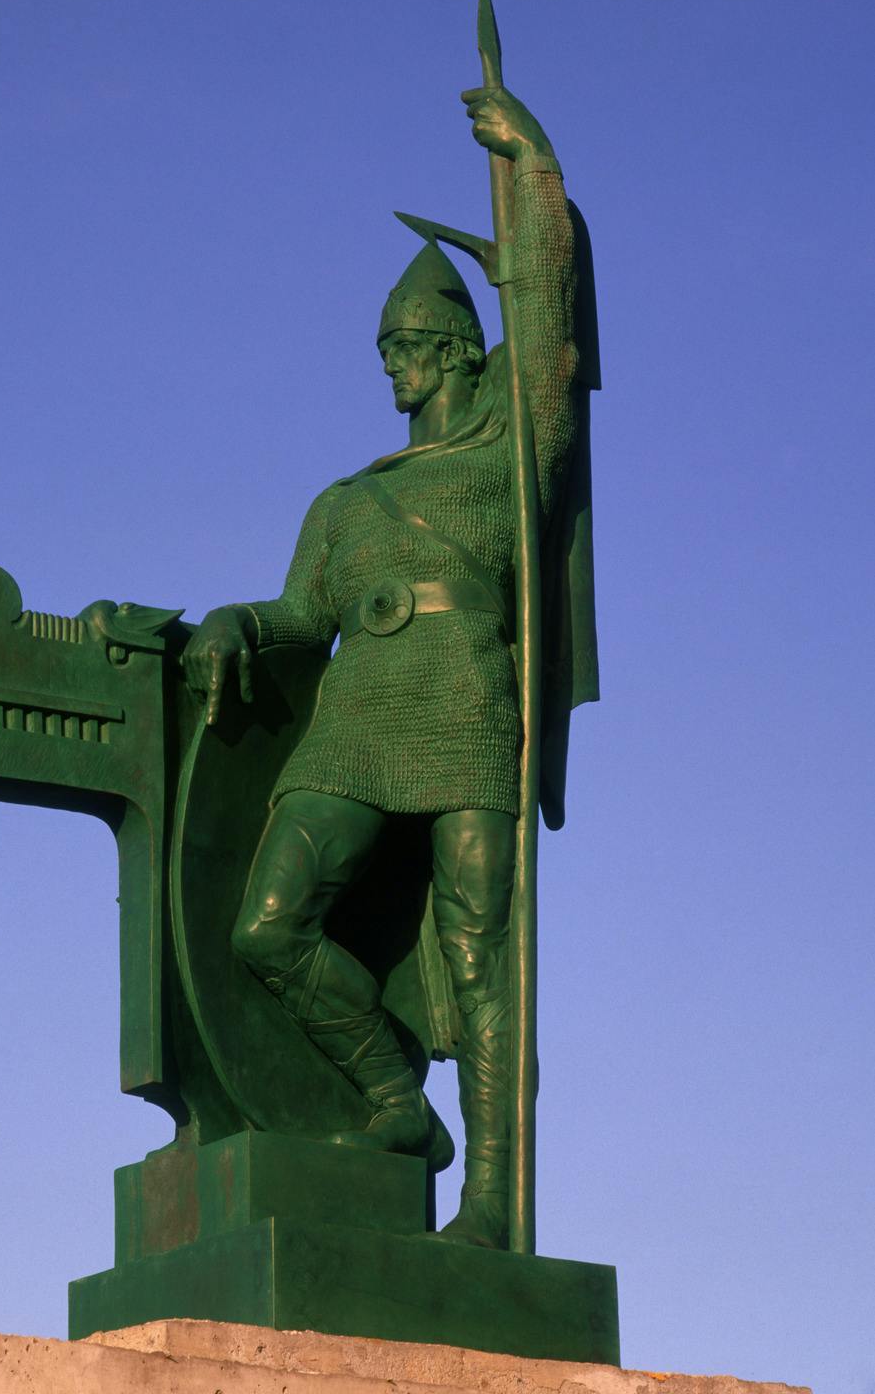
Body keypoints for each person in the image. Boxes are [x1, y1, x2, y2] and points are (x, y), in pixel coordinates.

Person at [181, 84, 580, 1250]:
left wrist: (533, 170)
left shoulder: (513, 445)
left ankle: (493, 1200)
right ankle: (398, 1100)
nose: (392, 368)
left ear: (457, 349)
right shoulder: (345, 500)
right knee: (266, 926)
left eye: (408, 347)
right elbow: (301, 613)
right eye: (385, 351)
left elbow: (550, 324)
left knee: (480, 949)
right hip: (359, 710)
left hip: (464, 699)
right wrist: (231, 623)